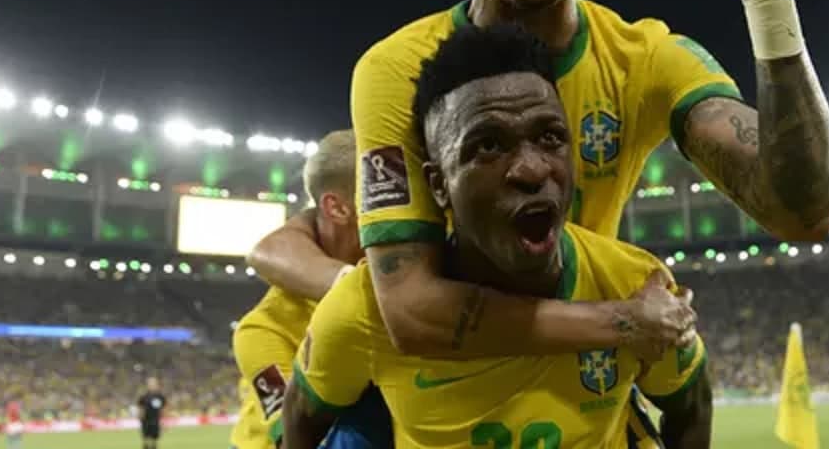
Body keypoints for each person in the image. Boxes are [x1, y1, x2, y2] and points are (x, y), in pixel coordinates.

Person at [342, 0, 829, 361]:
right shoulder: (398, 69)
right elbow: (411, 310)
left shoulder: (646, 58)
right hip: (453, 398)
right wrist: (624, 323)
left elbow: (804, 210)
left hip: (590, 391)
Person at [282, 24, 713, 449]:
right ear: (439, 185)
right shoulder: (362, 311)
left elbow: (691, 405)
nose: (532, 169)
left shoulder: (638, 283)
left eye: (550, 137)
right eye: (488, 146)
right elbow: (301, 418)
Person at [229, 129, 390, 449]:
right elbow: (291, 436)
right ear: (338, 208)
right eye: (384, 193)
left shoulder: (404, 274)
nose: (402, 208)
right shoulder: (263, 330)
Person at [137, 377, 166, 449]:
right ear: (147, 385)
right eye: (150, 384)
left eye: (153, 384)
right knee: (145, 440)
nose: (152, 385)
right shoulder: (143, 396)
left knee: (154, 441)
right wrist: (140, 418)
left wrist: (164, 422)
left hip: (155, 421)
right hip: (145, 421)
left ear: (157, 385)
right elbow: (140, 408)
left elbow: (164, 409)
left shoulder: (160, 396)